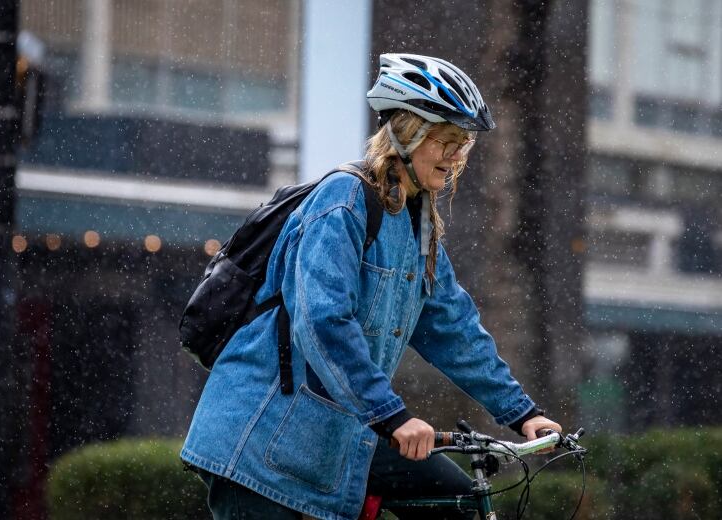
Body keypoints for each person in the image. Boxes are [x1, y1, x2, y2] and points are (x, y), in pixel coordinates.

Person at [181, 53, 562, 520]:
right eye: (445, 141)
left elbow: (452, 329)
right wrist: (391, 414)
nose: (456, 156)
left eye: (463, 144)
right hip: (262, 438)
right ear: (407, 134)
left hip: (340, 432)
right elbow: (322, 322)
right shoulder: (343, 200)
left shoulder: (419, 223)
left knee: (461, 508)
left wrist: (521, 413)